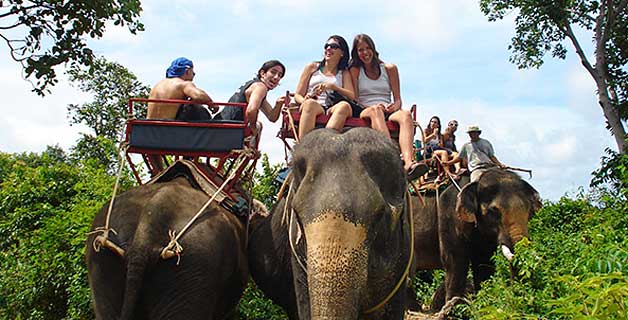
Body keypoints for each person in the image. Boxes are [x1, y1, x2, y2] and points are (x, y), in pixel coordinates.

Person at [348, 33, 426, 180]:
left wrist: (393, 107)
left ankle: (409, 163)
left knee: (406, 115)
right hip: (366, 109)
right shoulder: (355, 71)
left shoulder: (390, 69)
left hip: (388, 109)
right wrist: (375, 106)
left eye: (367, 48)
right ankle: (391, 155)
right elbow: (356, 99)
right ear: (356, 53)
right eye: (360, 50)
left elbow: (398, 99)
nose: (365, 53)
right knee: (375, 110)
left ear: (373, 48)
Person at [294, 35, 355, 139]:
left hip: (332, 106)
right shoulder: (312, 67)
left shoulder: (344, 72)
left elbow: (351, 95)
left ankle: (325, 142)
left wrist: (333, 87)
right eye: (326, 46)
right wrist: (305, 100)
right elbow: (297, 95)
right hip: (315, 105)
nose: (328, 48)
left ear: (342, 53)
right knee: (310, 104)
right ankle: (303, 148)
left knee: (344, 106)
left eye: (333, 46)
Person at [218, 60, 287, 137]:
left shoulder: (255, 86)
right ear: (263, 73)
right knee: (257, 126)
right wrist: (253, 127)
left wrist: (278, 104)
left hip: (222, 123)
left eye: (280, 75)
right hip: (228, 128)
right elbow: (251, 110)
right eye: (273, 72)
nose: (276, 77)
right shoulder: (260, 87)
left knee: (258, 125)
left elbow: (272, 117)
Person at [147, 57, 213, 120]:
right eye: (193, 73)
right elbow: (198, 95)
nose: (193, 76)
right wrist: (212, 104)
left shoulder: (158, 85)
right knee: (196, 108)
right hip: (167, 128)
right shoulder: (183, 84)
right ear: (187, 71)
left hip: (148, 128)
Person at [423, 116, 454, 181]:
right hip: (429, 151)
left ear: (438, 125)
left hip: (437, 149)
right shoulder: (426, 131)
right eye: (432, 122)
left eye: (435, 122)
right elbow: (424, 140)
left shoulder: (439, 135)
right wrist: (433, 135)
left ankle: (458, 170)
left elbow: (441, 146)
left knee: (455, 154)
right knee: (444, 152)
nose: (433, 123)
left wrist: (440, 142)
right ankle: (447, 173)